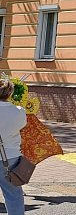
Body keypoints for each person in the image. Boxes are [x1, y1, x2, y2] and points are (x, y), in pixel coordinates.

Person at [0, 78, 27, 215]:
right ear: (10, 93)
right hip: (10, 157)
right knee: (13, 194)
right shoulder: (19, 111)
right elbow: (21, 126)